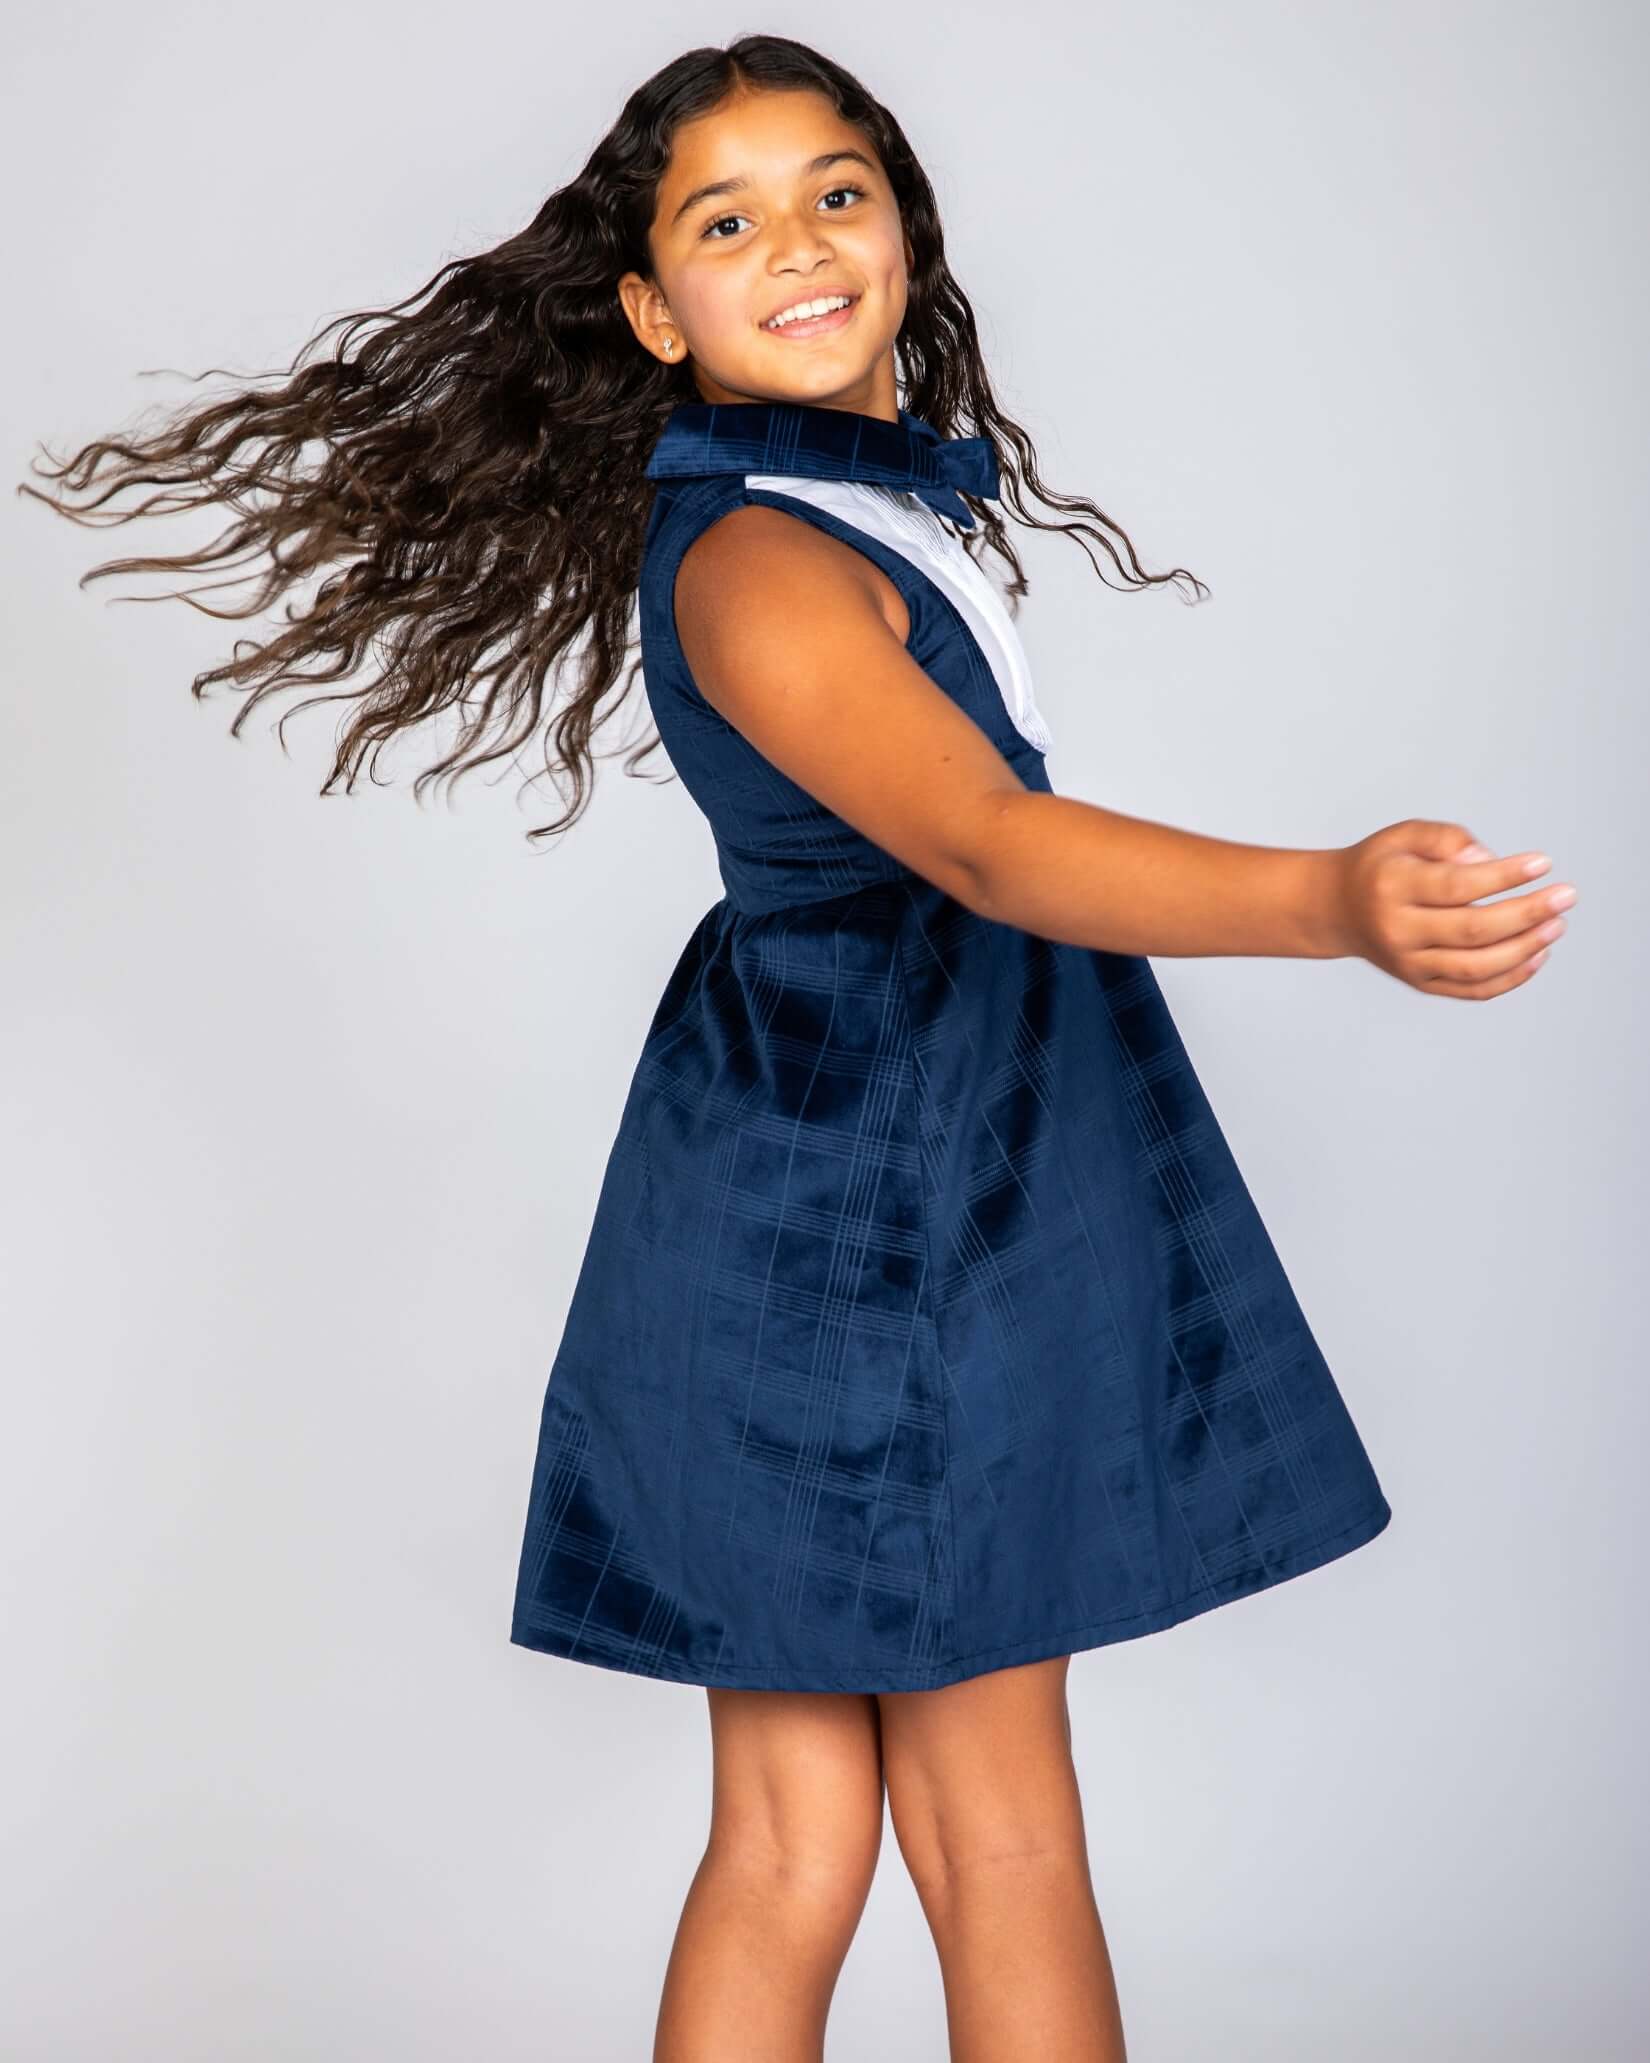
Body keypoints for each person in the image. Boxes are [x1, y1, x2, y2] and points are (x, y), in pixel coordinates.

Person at [23, 32, 1575, 2063]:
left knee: (804, 1829)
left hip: (832, 1165)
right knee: (973, 1832)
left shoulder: (840, 512)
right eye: (728, 219)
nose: (802, 242)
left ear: (907, 233)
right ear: (658, 312)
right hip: (895, 1198)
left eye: (839, 192)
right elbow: (986, 842)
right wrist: (1331, 900)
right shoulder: (759, 557)